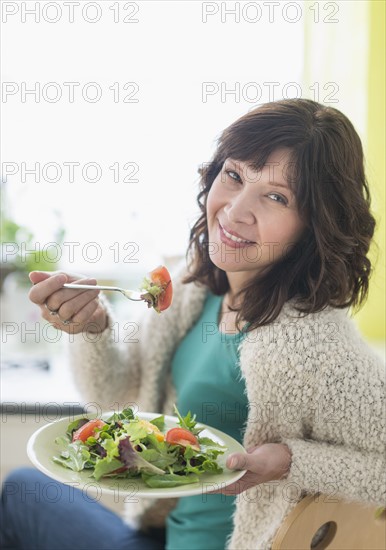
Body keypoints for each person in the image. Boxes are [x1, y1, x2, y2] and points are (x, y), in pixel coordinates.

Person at [1, 98, 385, 550]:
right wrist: (92, 328)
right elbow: (114, 394)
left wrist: (290, 461)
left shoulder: (316, 345)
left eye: (277, 196)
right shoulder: (193, 287)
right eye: (235, 175)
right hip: (161, 535)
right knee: (23, 489)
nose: (235, 210)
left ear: (315, 222)